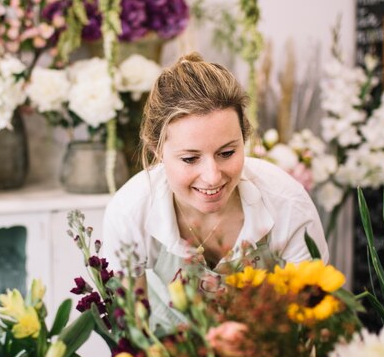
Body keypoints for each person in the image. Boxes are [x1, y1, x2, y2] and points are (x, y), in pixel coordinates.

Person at [102, 52, 328, 328]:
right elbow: (131, 333)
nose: (212, 177)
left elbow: (312, 328)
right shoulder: (129, 212)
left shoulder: (287, 204)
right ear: (157, 151)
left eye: (227, 152)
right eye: (190, 158)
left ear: (244, 140)